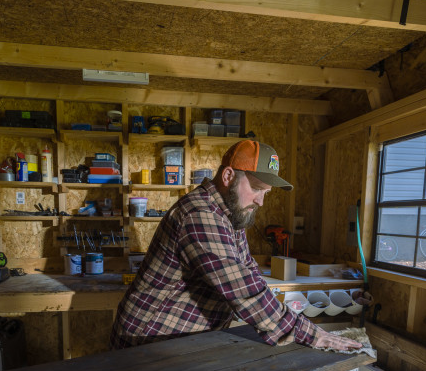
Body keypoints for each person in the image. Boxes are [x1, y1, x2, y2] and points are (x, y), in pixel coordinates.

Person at [110, 139, 361, 352]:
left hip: (180, 338)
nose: (260, 202)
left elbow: (249, 271)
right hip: (147, 340)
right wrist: (312, 334)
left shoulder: (230, 214)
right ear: (228, 176)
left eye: (266, 192)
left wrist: (285, 319)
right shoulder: (200, 214)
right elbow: (242, 289)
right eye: (256, 189)